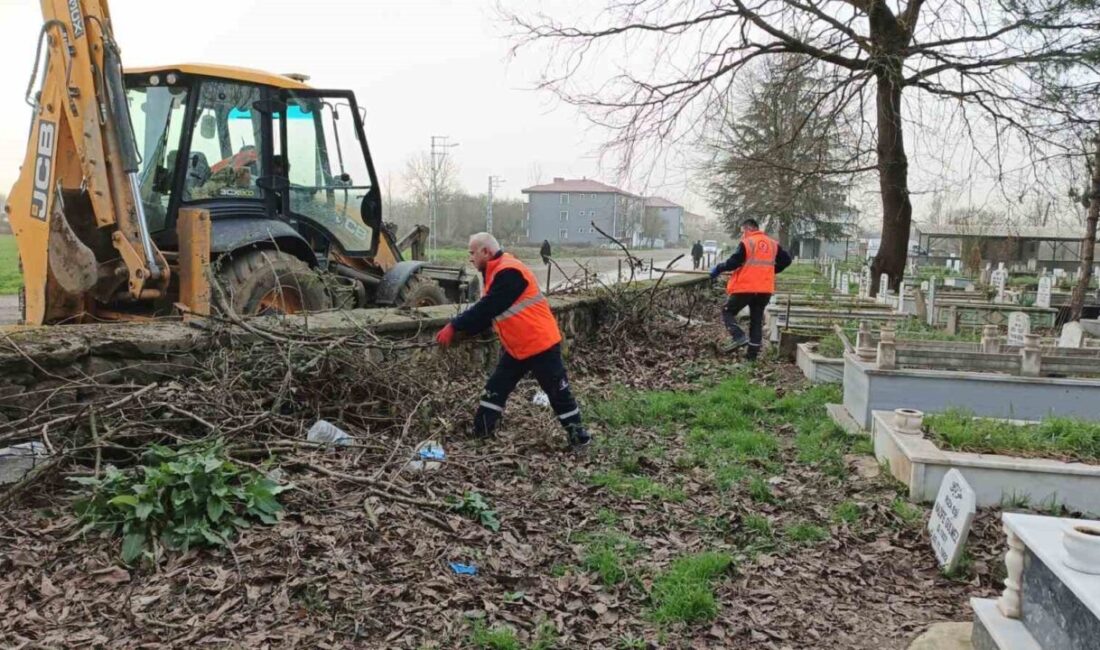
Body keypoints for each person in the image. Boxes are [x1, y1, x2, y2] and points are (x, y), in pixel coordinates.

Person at [435, 233, 592, 449]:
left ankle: (579, 437)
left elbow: (489, 307)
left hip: (540, 344)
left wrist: (455, 326)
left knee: (558, 392)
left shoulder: (509, 272)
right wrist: (464, 329)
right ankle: (481, 434)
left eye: (472, 253)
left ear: (486, 252)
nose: (470, 258)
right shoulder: (495, 272)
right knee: (495, 387)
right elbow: (491, 312)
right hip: (519, 347)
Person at [709, 219, 791, 362]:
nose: (742, 235)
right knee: (756, 319)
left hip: (746, 287)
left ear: (748, 228)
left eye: (743, 231)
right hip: (764, 289)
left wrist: (718, 268)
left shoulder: (748, 243)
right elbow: (787, 260)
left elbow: (733, 263)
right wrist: (771, 271)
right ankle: (752, 356)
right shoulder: (772, 244)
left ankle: (739, 336)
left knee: (727, 311)